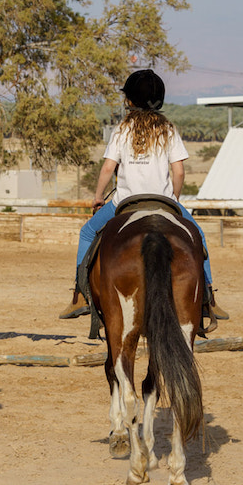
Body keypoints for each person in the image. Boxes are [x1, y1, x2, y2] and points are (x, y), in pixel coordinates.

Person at [64, 69, 226, 327]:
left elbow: (108, 168)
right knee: (199, 236)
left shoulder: (122, 129)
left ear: (130, 100)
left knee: (86, 233)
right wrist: (174, 200)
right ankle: (207, 297)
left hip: (125, 202)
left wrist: (97, 197)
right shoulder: (168, 129)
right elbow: (179, 171)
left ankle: (80, 295)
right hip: (163, 200)